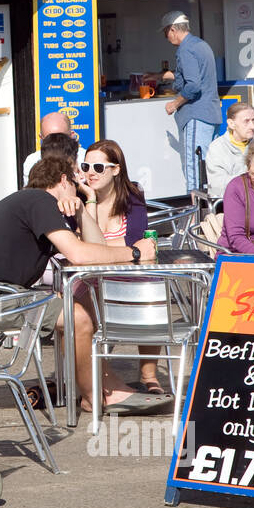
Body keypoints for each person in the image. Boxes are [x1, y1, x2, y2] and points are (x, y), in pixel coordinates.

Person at [0, 155, 158, 416]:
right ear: (63, 180)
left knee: (80, 306)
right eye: (76, 182)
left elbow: (97, 248)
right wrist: (135, 253)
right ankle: (93, 397)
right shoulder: (40, 201)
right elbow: (80, 255)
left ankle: (103, 384)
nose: (80, 188)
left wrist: (84, 207)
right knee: (78, 317)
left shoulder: (31, 202)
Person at [74, 139, 167, 393]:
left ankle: (149, 376)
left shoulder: (132, 196)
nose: (90, 172)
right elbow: (84, 244)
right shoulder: (78, 197)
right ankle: (98, 377)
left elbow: (134, 239)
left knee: (154, 292)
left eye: (98, 167)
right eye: (86, 166)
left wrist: (103, 249)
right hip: (90, 278)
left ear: (115, 169)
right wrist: (90, 199)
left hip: (127, 276)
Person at [160, 10, 221, 193]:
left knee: (195, 169)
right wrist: (159, 75)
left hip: (196, 114)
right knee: (209, 169)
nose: (166, 37)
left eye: (165, 33)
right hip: (211, 114)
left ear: (172, 29)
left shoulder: (185, 50)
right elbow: (188, 77)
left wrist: (175, 104)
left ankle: (197, 214)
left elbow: (193, 86)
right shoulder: (200, 45)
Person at [204, 102, 254, 197]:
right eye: (246, 121)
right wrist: (251, 178)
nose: (252, 126)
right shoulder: (217, 148)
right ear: (231, 124)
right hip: (229, 202)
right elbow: (218, 186)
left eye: (253, 121)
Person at [21, 109, 78, 184]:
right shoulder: (32, 162)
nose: (56, 145)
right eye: (49, 141)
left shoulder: (85, 160)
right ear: (41, 138)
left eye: (61, 139)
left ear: (72, 135)